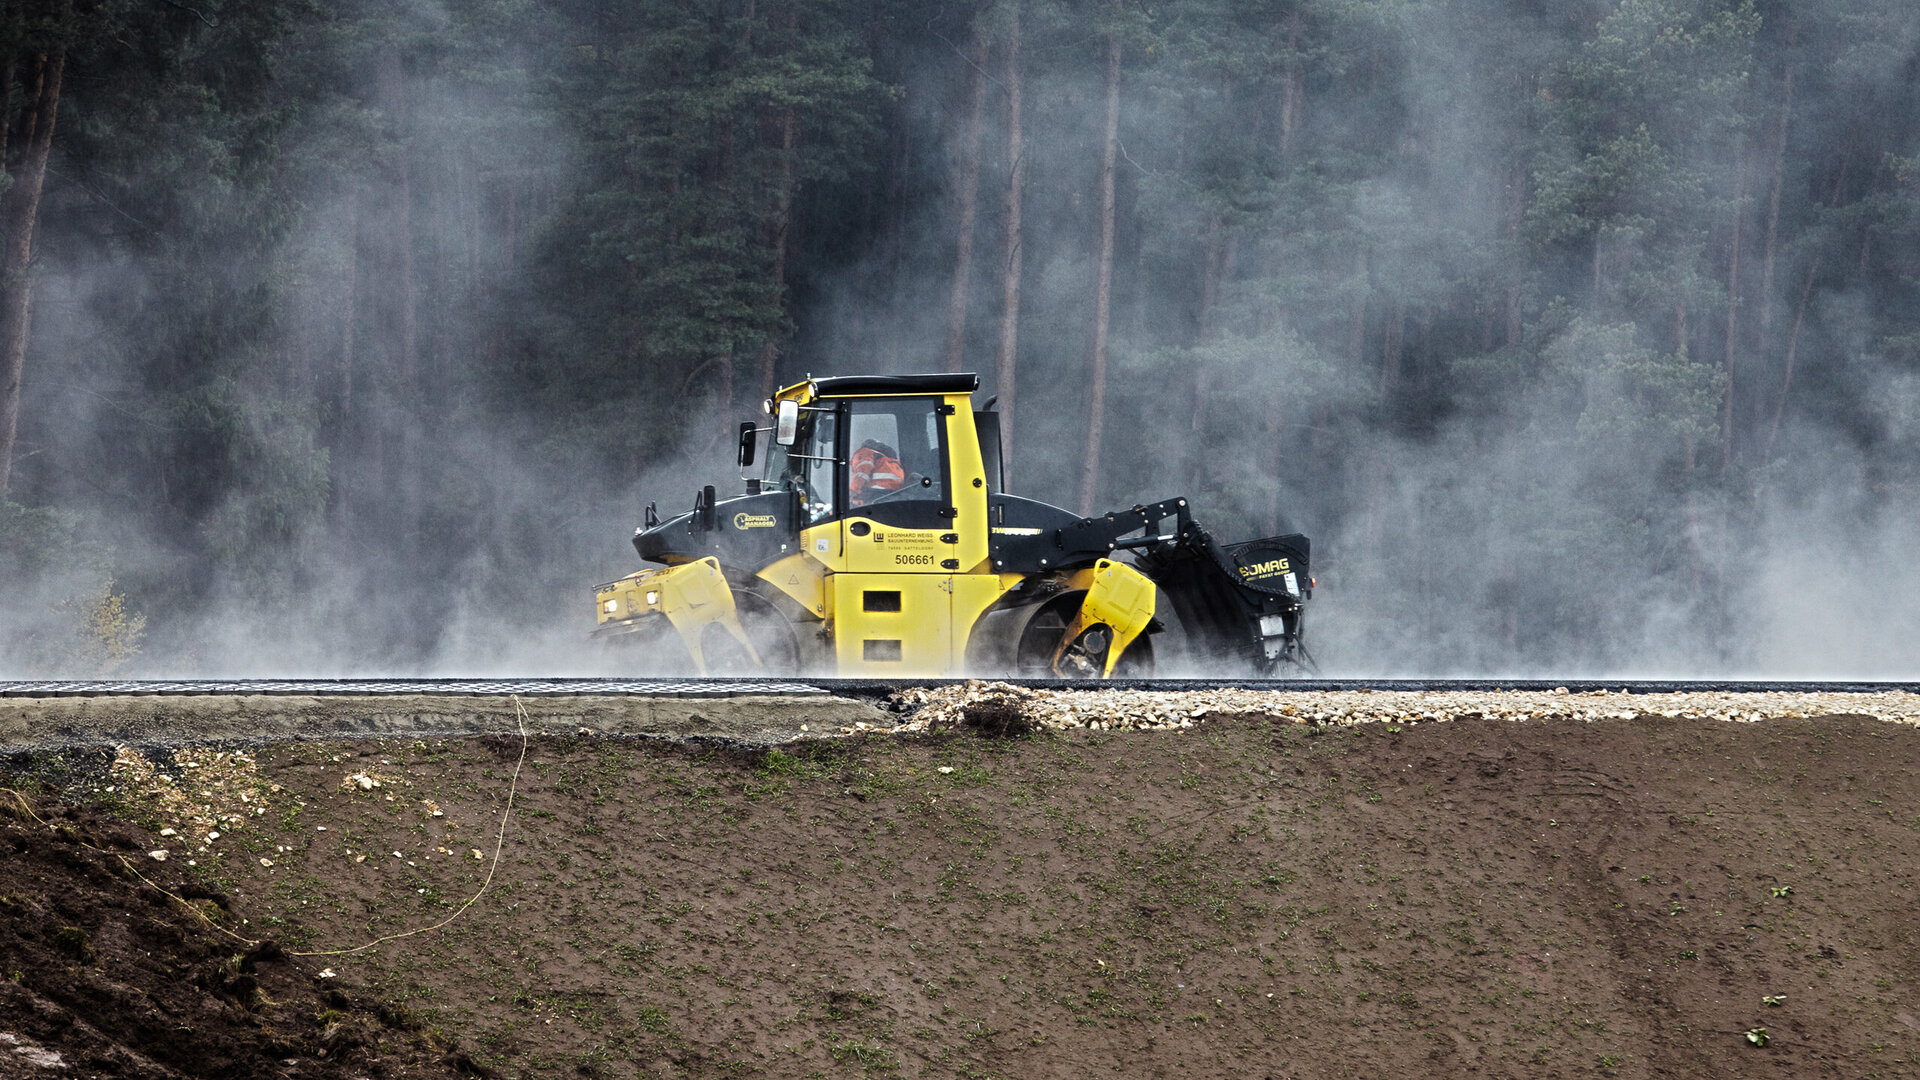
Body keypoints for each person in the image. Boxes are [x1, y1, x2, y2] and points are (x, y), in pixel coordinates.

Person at [848, 438, 907, 506]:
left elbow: (862, 471)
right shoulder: (892, 462)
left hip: (874, 493)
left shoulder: (865, 452)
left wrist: (853, 490)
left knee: (849, 507)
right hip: (892, 496)